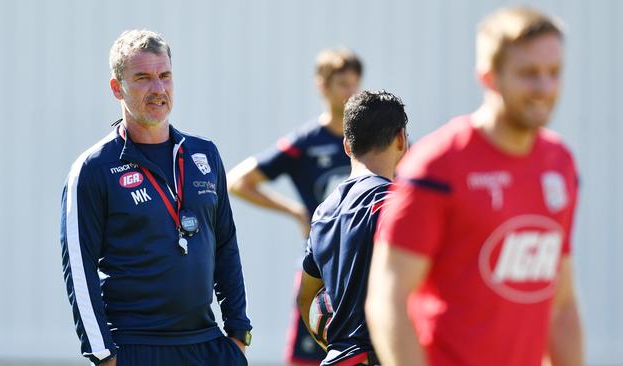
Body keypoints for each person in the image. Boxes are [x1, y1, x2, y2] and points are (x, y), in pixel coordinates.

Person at [365, 6, 584, 366]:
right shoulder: (438, 165)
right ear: (488, 77)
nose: (545, 88)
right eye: (529, 74)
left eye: (554, 73)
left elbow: (561, 304)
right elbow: (388, 298)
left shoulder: (560, 163)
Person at [60, 30, 252, 366]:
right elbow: (79, 268)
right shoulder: (93, 168)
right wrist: (104, 355)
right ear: (117, 87)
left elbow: (226, 245)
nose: (158, 89)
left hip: (209, 345)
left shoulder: (202, 154)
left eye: (164, 76)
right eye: (143, 78)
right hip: (135, 346)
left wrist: (238, 334)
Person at [228, 49, 362, 364]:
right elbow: (238, 182)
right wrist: (296, 212)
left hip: (364, 267)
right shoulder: (305, 141)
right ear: (322, 86)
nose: (350, 92)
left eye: (355, 84)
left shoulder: (370, 141)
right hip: (321, 272)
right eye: (343, 83)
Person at [297, 90, 408, 366]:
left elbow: (305, 298)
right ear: (401, 139)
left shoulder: (323, 213)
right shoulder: (394, 203)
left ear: (347, 145)